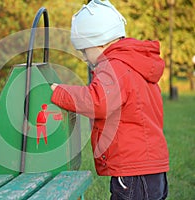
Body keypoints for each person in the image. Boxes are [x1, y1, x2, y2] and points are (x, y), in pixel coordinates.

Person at [50, 0, 169, 199]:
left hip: (133, 170)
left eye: (84, 50)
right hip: (151, 167)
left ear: (100, 42)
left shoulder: (114, 66)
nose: (85, 58)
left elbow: (96, 101)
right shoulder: (135, 62)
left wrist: (60, 93)